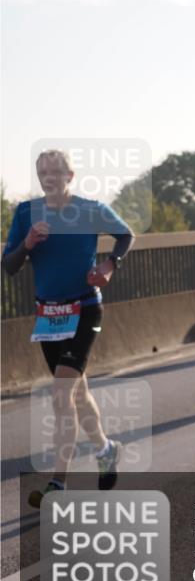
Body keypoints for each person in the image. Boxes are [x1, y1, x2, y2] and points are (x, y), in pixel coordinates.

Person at [2, 150, 134, 508]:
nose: (49, 177)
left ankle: (57, 485)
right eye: (42, 171)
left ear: (69, 175)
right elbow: (9, 265)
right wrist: (27, 244)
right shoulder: (27, 213)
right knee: (77, 395)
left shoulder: (89, 209)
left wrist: (109, 264)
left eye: (55, 171)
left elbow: (125, 235)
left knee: (61, 395)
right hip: (48, 316)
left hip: (84, 308)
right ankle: (106, 450)